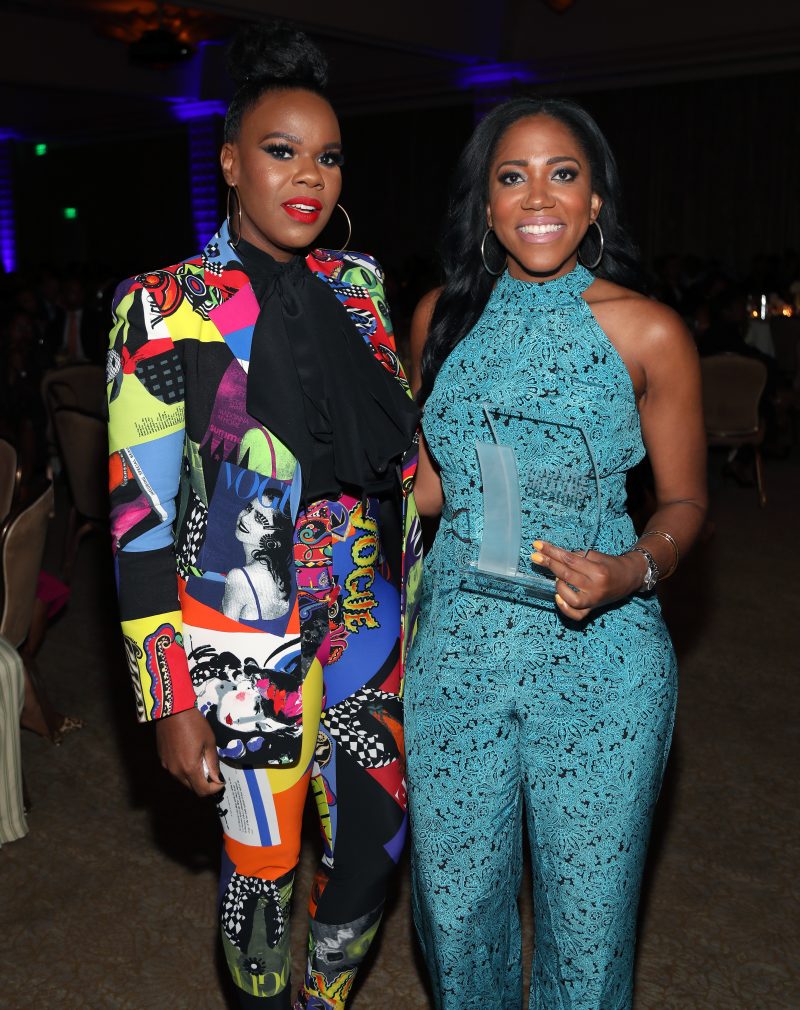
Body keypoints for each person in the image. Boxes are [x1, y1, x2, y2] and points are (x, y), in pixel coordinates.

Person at [106, 22, 420, 1010]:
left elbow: (394, 457)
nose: (308, 176)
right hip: (238, 642)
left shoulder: (360, 288)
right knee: (261, 871)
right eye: (281, 151)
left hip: (364, 612)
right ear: (232, 162)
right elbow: (138, 521)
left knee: (374, 851)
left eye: (326, 156)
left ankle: (318, 1000)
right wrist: (168, 697)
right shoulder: (162, 306)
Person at [405, 97, 707, 1010]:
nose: (538, 194)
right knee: (456, 920)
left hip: (603, 659)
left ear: (596, 200)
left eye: (562, 173)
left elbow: (687, 501)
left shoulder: (647, 330)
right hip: (456, 651)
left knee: (589, 927)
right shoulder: (439, 319)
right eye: (512, 175)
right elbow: (426, 486)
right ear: (486, 205)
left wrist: (630, 570)